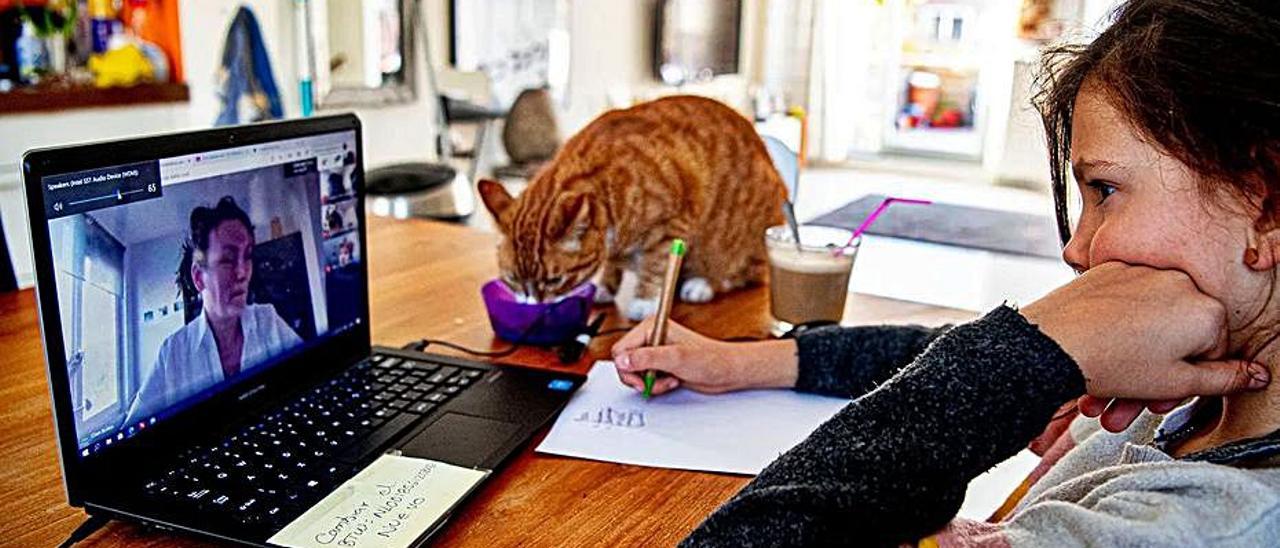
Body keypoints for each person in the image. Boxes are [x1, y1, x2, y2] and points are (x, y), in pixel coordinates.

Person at [611, 1, 1280, 545]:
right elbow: (941, 359)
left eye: (1105, 189)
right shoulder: (1190, 391)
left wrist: (1021, 364)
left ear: (1268, 205)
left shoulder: (1210, 522)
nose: (1077, 248)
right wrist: (737, 362)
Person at [125, 196, 302, 424]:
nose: (242, 272)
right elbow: (133, 429)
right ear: (199, 278)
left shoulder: (267, 318)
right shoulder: (173, 355)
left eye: (247, 256)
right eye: (228, 259)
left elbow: (309, 375)